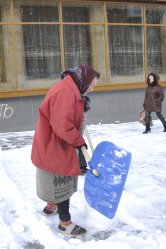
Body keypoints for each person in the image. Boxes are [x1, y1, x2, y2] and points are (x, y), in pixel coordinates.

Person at [31, 65, 100, 237]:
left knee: (51, 174)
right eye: (91, 84)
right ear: (83, 80)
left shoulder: (70, 88)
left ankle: (51, 206)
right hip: (57, 143)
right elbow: (62, 125)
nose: (92, 88)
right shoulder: (67, 93)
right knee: (63, 180)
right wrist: (79, 142)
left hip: (52, 141)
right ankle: (64, 223)